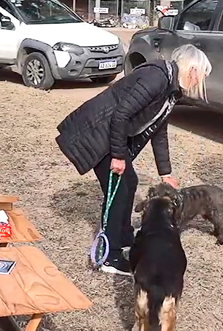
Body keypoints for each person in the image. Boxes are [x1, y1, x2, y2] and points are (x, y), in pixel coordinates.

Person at [55, 44, 212, 276]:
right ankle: (110, 256)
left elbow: (159, 131)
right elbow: (121, 115)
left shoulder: (170, 90)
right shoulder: (156, 78)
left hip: (110, 135)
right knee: (119, 191)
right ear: (192, 69)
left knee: (129, 183)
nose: (201, 82)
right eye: (202, 75)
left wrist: (165, 173)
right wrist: (118, 156)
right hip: (98, 134)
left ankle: (124, 238)